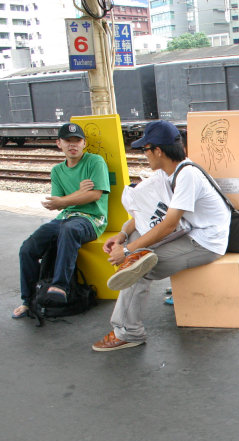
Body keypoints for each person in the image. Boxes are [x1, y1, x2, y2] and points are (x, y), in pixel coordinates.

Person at [91, 120, 230, 351]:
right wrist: (123, 236)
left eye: (146, 149)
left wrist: (127, 252)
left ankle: (128, 332)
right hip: (190, 231)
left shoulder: (186, 176)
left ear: (158, 150)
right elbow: (147, 214)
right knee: (137, 245)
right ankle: (128, 319)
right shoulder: (169, 174)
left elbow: (168, 225)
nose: (145, 155)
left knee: (140, 267)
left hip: (206, 241)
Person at [13, 122, 110, 319]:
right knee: (27, 249)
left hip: (92, 219)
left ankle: (60, 286)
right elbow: (57, 205)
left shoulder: (95, 162)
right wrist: (77, 194)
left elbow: (94, 196)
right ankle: (28, 299)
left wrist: (70, 198)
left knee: (69, 230)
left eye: (77, 141)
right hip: (64, 218)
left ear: (84, 143)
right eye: (68, 141)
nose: (72, 145)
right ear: (59, 144)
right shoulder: (57, 170)